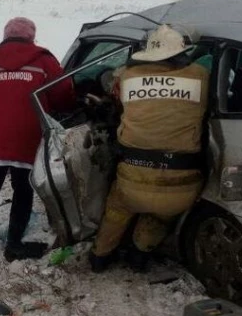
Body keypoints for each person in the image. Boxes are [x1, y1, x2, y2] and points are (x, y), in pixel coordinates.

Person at [0, 17, 74, 270]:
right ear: (31, 37)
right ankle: (14, 246)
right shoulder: (43, 59)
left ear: (6, 36)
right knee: (23, 189)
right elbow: (63, 92)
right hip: (27, 135)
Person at [90, 24, 212, 273]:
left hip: (134, 175)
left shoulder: (127, 76)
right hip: (183, 183)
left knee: (117, 210)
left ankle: (100, 256)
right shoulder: (200, 75)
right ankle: (140, 253)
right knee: (160, 214)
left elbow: (108, 84)